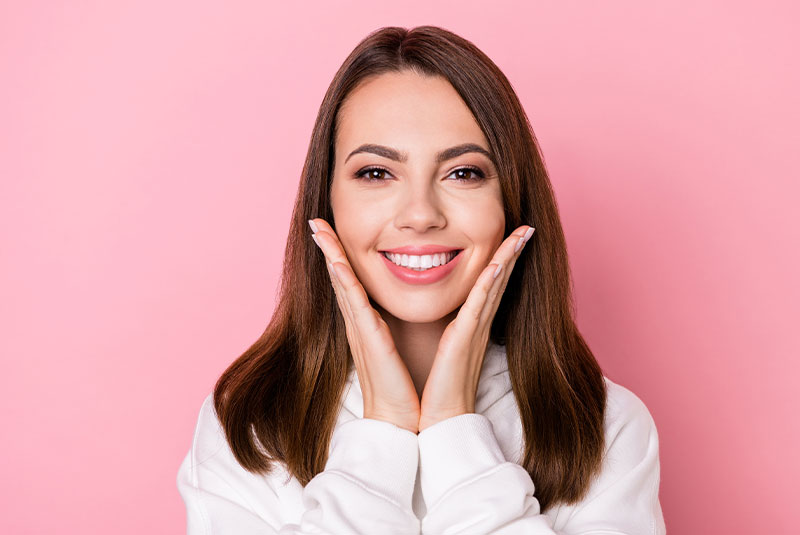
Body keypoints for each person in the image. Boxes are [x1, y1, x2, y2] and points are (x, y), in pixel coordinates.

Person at [177, 25, 667, 534]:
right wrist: (383, 429)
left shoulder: (605, 428)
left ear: (511, 202)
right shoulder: (247, 424)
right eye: (375, 173)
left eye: (463, 173)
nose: (419, 214)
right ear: (329, 203)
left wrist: (454, 429)